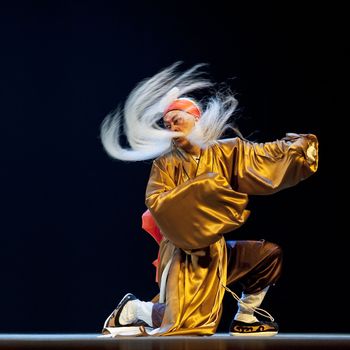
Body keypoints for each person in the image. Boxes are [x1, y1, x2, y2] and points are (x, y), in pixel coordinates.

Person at [99, 62, 318, 337]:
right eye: (167, 125)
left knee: (267, 255)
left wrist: (295, 152)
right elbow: (157, 202)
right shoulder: (165, 164)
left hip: (216, 250)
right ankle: (133, 310)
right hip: (182, 251)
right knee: (188, 324)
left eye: (177, 120)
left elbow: (261, 157)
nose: (172, 128)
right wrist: (201, 192)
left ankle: (246, 317)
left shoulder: (226, 152)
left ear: (196, 119)